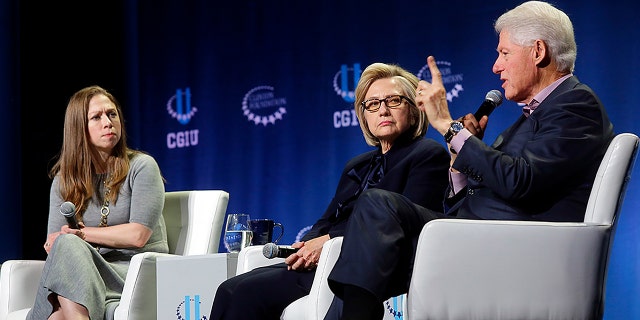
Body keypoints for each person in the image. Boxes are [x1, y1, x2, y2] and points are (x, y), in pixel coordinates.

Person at [325, 1, 615, 319]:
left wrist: (449, 128)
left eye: (504, 53)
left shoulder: (575, 104)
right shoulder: (531, 117)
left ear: (538, 51)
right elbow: (484, 193)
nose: (496, 67)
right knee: (371, 233)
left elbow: (523, 181)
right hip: (475, 238)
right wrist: (460, 155)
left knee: (378, 212)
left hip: (512, 251)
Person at [209, 63, 451, 319]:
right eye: (372, 104)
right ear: (364, 115)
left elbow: (403, 222)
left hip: (362, 265)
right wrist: (306, 247)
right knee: (229, 289)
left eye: (393, 101)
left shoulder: (427, 155)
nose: (383, 110)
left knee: (243, 293)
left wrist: (327, 243)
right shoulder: (356, 166)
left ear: (414, 110)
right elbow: (326, 220)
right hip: (322, 261)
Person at [27, 85, 167, 320]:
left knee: (61, 288)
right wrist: (55, 243)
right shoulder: (64, 180)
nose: (108, 122)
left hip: (135, 270)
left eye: (112, 114)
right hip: (86, 271)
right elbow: (55, 244)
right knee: (65, 257)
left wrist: (81, 235)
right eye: (96, 117)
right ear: (79, 129)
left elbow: (138, 235)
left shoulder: (142, 167)